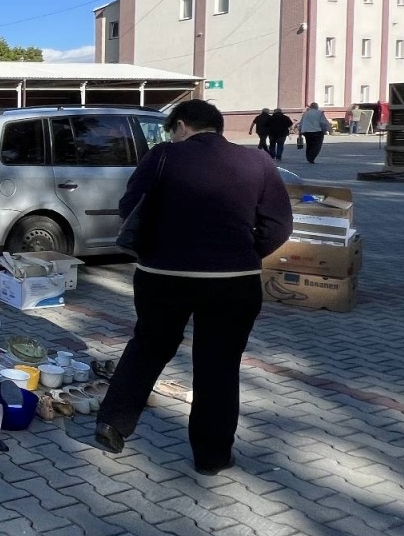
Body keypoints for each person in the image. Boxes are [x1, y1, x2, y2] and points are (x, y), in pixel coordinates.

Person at [94, 99, 292, 475]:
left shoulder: (163, 156)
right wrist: (245, 254)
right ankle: (212, 456)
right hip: (232, 282)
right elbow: (280, 225)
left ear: (181, 125)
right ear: (216, 126)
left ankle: (113, 423)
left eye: (173, 130)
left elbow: (129, 207)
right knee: (218, 364)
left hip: (162, 277)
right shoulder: (259, 162)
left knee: (149, 346)